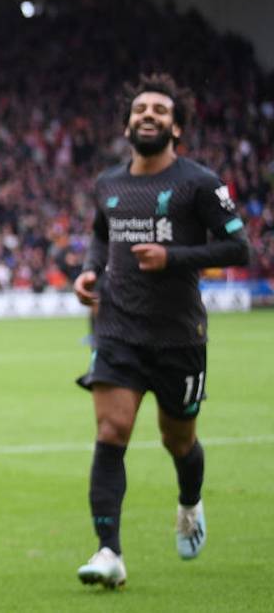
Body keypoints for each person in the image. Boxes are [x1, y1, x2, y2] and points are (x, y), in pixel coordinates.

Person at [73, 73, 250, 588]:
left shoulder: (199, 182)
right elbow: (101, 238)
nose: (148, 114)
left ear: (176, 127)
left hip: (179, 338)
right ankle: (109, 552)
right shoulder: (109, 183)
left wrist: (173, 257)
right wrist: (90, 270)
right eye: (140, 109)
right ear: (127, 124)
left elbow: (239, 249)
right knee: (111, 432)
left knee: (179, 441)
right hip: (119, 333)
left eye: (159, 110)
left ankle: (190, 503)